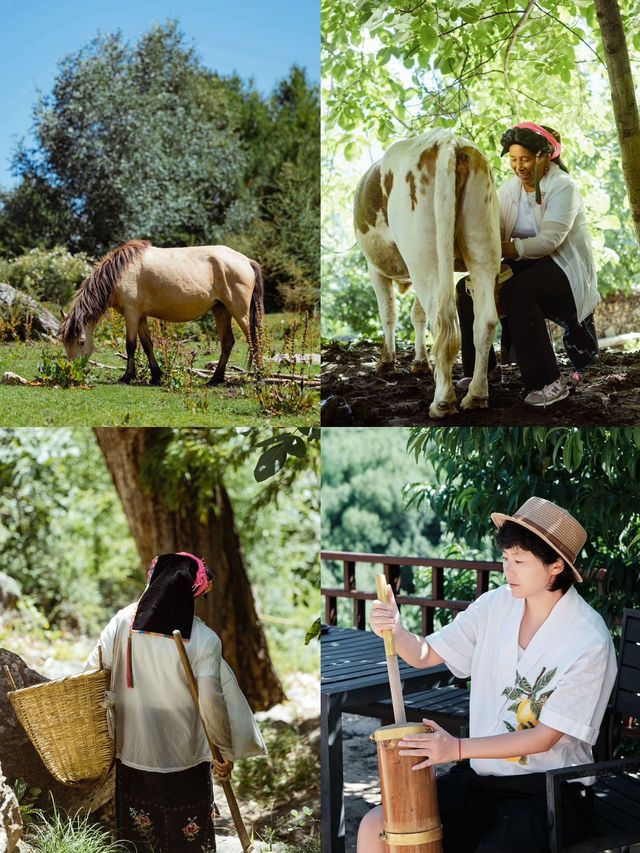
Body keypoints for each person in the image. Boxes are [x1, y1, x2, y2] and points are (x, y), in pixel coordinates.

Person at [358, 497, 617, 853]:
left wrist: (457, 748)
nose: (507, 570)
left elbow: (543, 739)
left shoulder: (589, 638)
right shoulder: (494, 606)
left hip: (548, 791)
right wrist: (396, 630)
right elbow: (424, 654)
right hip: (481, 778)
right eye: (506, 558)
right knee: (377, 826)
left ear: (556, 565)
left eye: (520, 562)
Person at [85, 552, 233, 853]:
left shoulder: (121, 622)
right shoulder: (204, 638)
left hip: (133, 754)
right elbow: (212, 703)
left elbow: (90, 675)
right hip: (186, 758)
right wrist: (224, 751)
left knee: (140, 842)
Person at [456, 123, 599, 407]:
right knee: (467, 288)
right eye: (513, 159)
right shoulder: (509, 190)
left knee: (516, 291)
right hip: (527, 263)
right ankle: (481, 371)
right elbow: (492, 231)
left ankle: (548, 382)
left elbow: (549, 241)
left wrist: (500, 250)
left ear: (544, 157)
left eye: (525, 159)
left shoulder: (563, 187)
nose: (518, 166)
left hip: (564, 269)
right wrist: (470, 254)